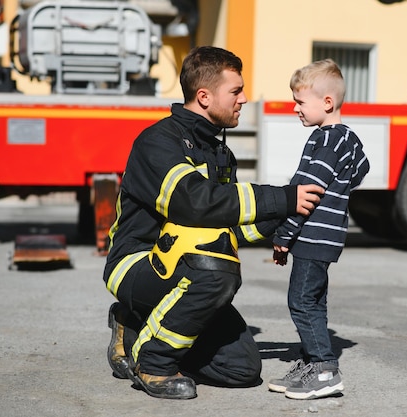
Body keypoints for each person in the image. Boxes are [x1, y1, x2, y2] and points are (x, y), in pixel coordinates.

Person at [103, 46, 324, 400]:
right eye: (236, 91)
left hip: (186, 268)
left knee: (242, 369)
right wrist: (281, 197)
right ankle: (153, 362)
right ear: (204, 96)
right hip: (137, 264)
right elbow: (192, 203)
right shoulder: (158, 142)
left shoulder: (220, 153)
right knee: (214, 267)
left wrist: (287, 216)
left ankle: (135, 325)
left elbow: (231, 227)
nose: (244, 98)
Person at [267, 59, 369, 400]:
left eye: (300, 101)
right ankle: (311, 361)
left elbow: (306, 194)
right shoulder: (347, 139)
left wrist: (283, 236)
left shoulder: (323, 141)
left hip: (312, 234)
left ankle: (325, 369)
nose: (295, 108)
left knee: (300, 301)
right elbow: (361, 169)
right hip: (328, 235)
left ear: (327, 103)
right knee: (315, 302)